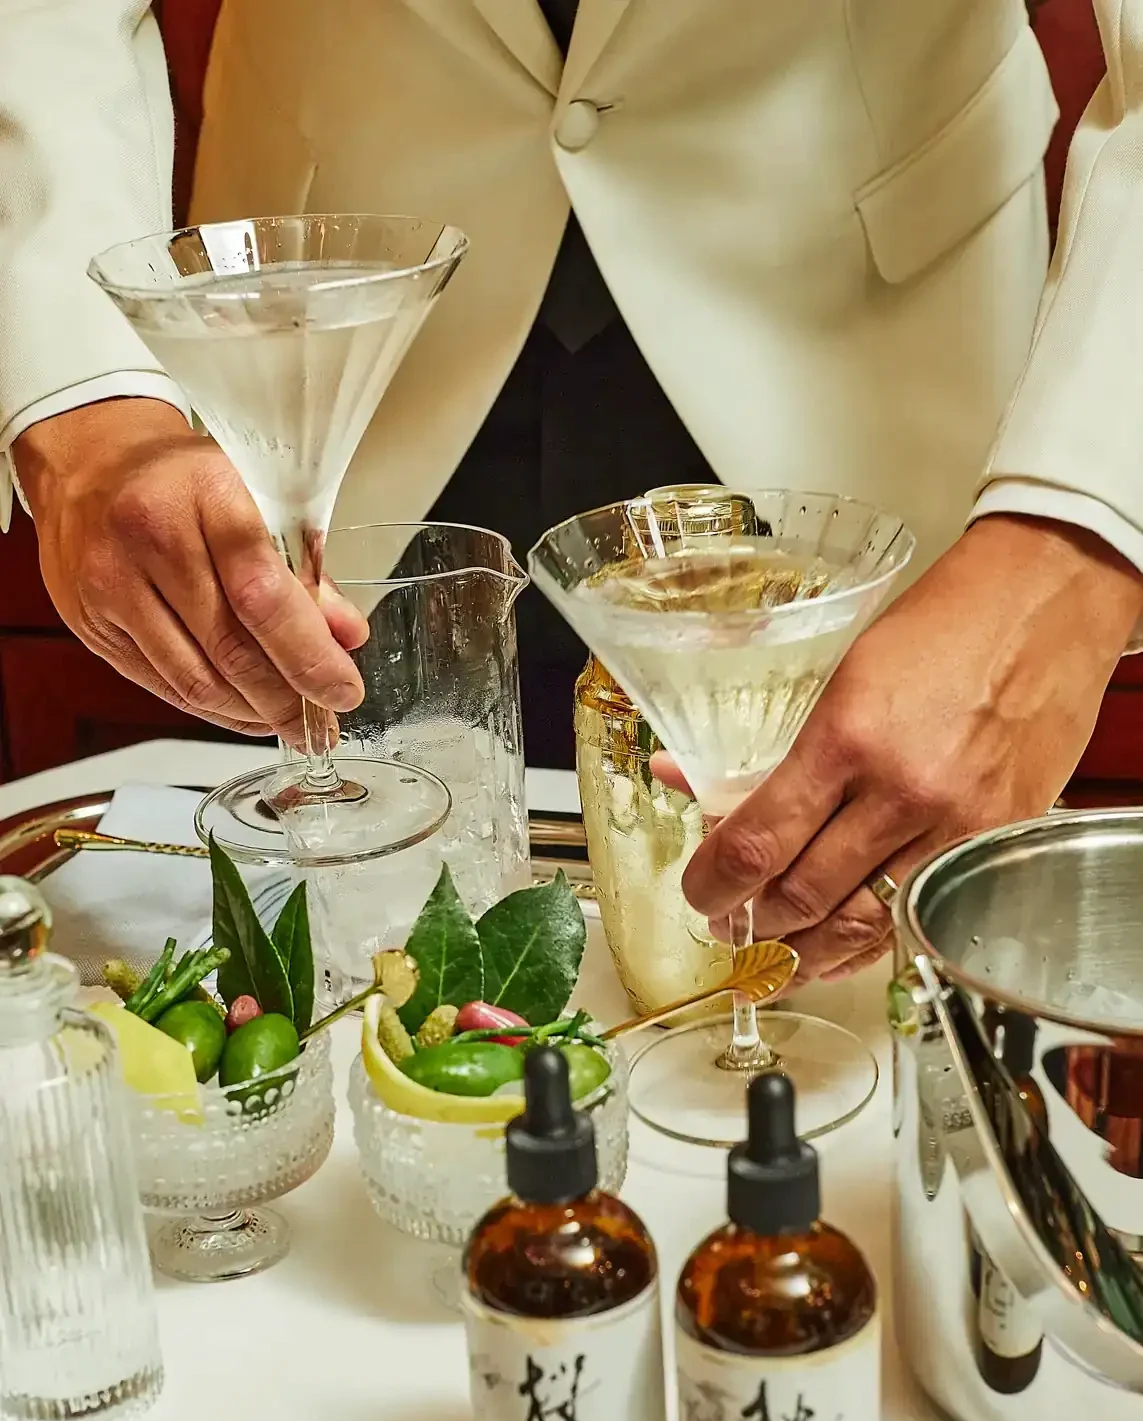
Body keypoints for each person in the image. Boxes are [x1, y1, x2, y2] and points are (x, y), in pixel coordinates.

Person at [3, 0, 1143, 985]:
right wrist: (80, 401)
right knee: (357, 983)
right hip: (333, 354)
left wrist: (1073, 551)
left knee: (861, 976)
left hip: (871, 349)